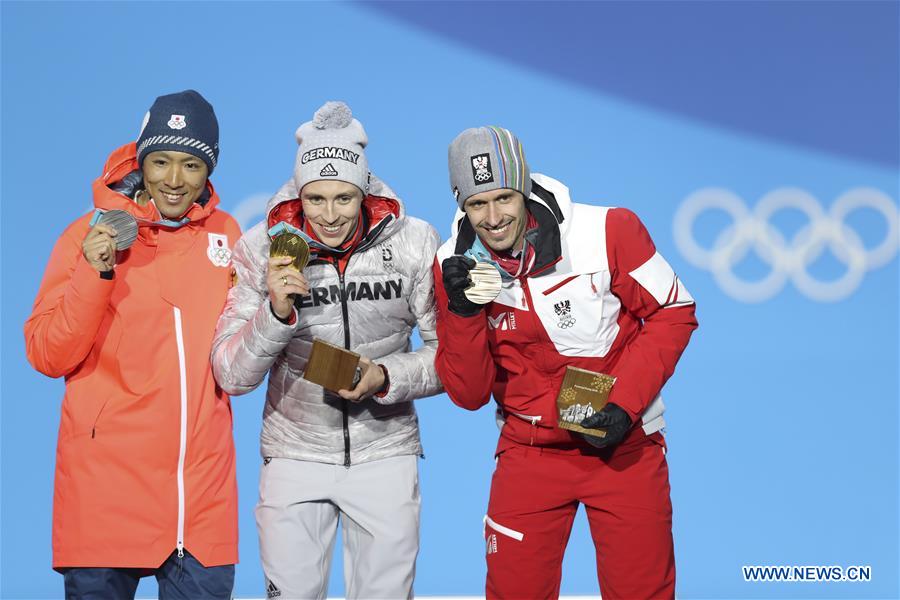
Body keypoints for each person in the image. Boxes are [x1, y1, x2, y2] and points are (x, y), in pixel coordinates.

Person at [434, 126, 698, 600]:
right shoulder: (452, 265)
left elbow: (673, 311)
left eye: (503, 198)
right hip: (528, 454)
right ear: (460, 203)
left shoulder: (608, 230)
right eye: (477, 204)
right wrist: (463, 314)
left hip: (623, 447)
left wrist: (623, 404)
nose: (492, 219)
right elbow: (469, 394)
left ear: (525, 187)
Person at [211, 101, 441, 600]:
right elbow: (230, 374)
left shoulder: (415, 243)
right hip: (294, 456)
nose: (330, 215)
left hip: (386, 453)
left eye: (343, 198)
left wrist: (385, 376)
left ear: (364, 190)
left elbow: (451, 358)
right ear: (299, 192)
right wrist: (274, 314)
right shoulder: (259, 249)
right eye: (315, 199)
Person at [24, 90, 240, 599]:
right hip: (105, 488)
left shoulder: (227, 237)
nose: (173, 179)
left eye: (190, 164)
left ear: (208, 169)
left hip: (199, 500)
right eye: (160, 161)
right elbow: (47, 353)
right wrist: (94, 272)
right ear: (141, 161)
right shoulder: (85, 235)